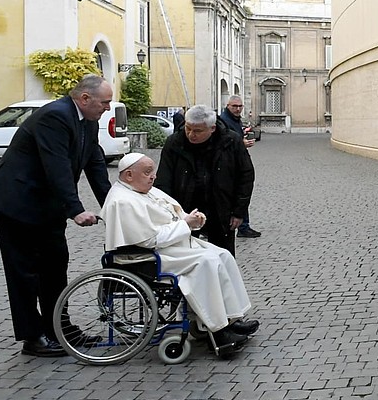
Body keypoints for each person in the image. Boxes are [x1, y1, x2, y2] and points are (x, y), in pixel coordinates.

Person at [0, 75, 114, 357]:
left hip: (47, 205)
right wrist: (76, 210)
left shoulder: (89, 121)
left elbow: (95, 163)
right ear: (85, 99)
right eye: (104, 102)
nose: (108, 108)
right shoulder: (55, 116)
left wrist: (114, 207)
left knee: (55, 266)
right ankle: (33, 337)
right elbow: (56, 166)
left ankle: (59, 328)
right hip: (17, 201)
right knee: (24, 272)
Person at [102, 154, 258, 350]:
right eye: (147, 172)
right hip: (145, 257)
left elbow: (174, 214)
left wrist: (192, 219)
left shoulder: (143, 189)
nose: (153, 177)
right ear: (129, 175)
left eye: (153, 172)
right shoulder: (122, 201)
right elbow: (149, 239)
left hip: (169, 247)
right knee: (207, 262)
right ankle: (219, 331)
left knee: (223, 255)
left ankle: (232, 318)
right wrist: (185, 225)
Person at [155, 104, 254, 256]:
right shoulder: (175, 142)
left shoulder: (231, 141)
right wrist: (167, 211)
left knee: (223, 256)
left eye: (197, 131)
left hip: (221, 207)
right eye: (188, 128)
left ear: (212, 128)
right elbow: (163, 179)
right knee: (183, 255)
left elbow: (245, 176)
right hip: (184, 208)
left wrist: (239, 211)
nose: (191, 134)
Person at [217, 95, 261, 239]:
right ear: (228, 106)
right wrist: (241, 144)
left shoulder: (235, 119)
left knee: (242, 193)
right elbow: (222, 143)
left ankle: (243, 225)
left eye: (240, 106)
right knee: (237, 194)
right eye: (234, 106)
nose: (237, 109)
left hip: (238, 161)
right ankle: (241, 226)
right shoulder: (224, 120)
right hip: (229, 165)